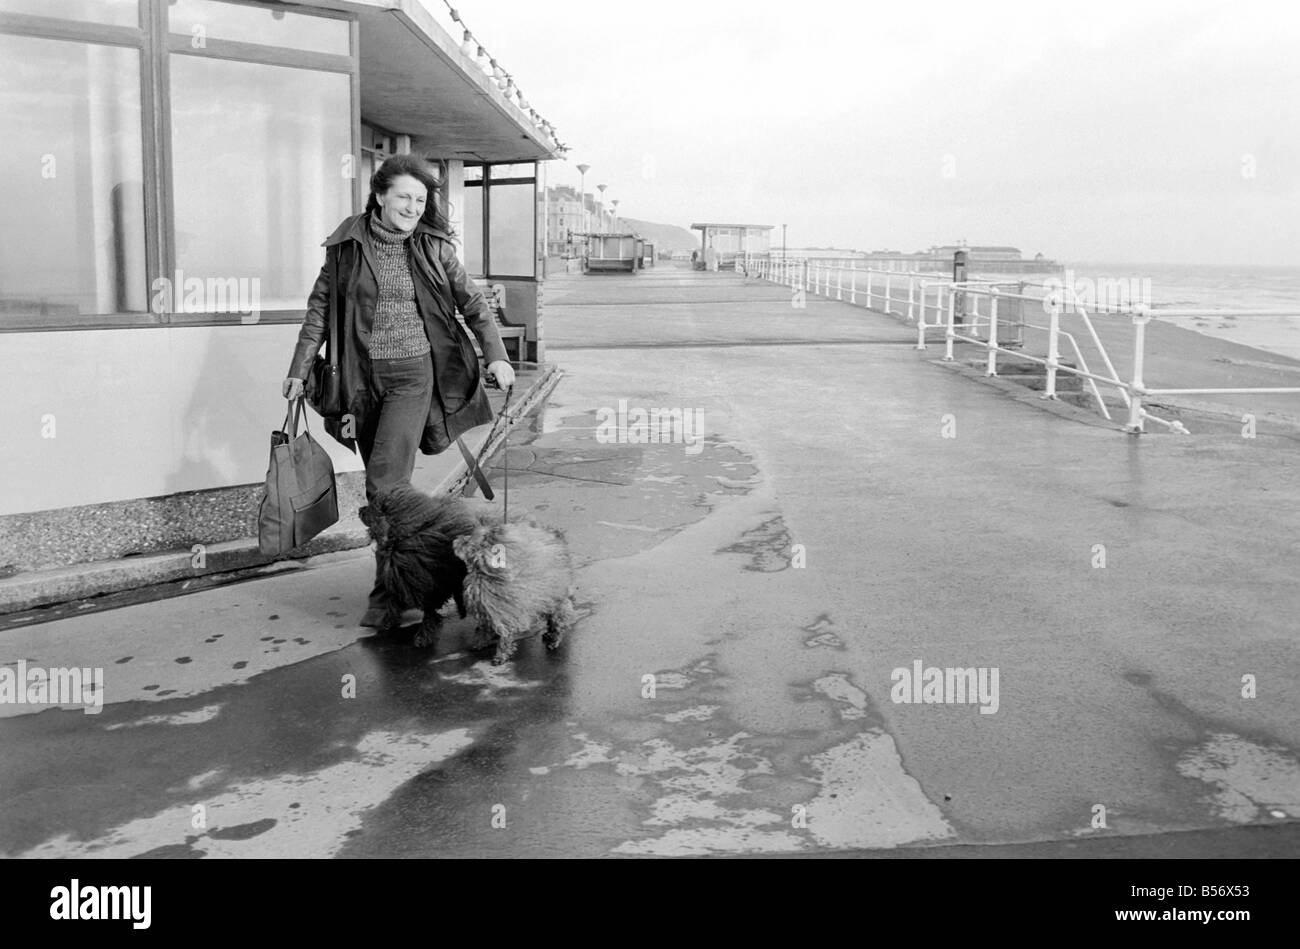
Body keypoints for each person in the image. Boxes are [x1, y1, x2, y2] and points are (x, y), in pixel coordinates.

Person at [282, 154, 515, 628]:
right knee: (386, 486)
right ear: (381, 194)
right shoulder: (345, 245)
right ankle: (433, 566)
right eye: (404, 196)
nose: (412, 206)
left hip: (414, 378)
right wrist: (299, 369)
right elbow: (318, 311)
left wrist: (497, 355)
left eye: (420, 199)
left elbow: (472, 302)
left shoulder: (434, 246)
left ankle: (394, 595)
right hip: (360, 381)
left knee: (385, 488)